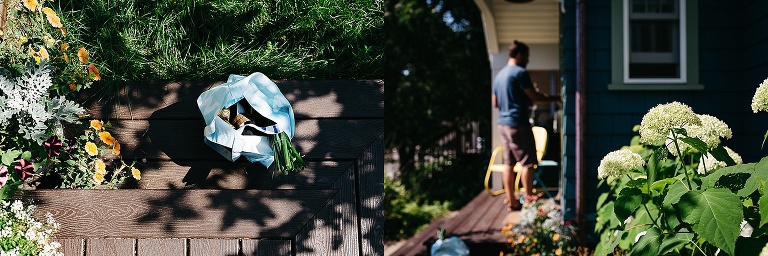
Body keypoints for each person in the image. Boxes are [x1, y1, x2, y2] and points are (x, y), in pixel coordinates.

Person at [492, 40, 561, 210]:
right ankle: (529, 200)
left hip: (503, 124)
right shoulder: (520, 73)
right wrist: (555, 98)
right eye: (527, 56)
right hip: (518, 124)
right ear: (520, 55)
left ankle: (512, 201)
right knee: (527, 163)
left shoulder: (499, 75)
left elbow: (495, 103)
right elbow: (534, 96)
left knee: (508, 163)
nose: (527, 60)